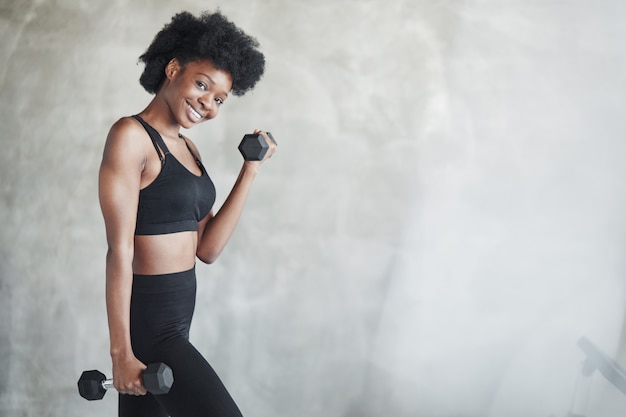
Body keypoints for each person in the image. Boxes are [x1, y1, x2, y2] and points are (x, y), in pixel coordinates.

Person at [98, 10, 275, 417]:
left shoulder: (188, 149)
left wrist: (250, 169)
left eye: (219, 99)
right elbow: (119, 251)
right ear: (173, 68)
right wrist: (121, 352)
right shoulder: (131, 136)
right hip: (152, 332)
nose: (208, 104)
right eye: (202, 85)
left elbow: (207, 249)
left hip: (177, 326)